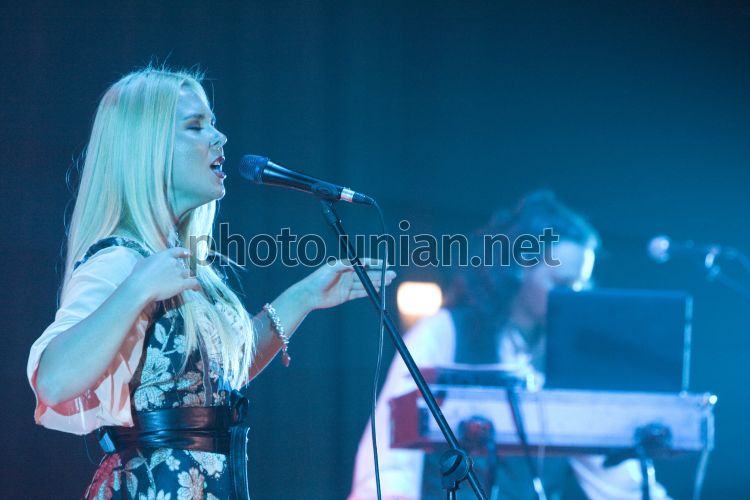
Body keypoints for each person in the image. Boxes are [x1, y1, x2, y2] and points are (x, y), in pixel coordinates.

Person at [27, 66, 394, 499]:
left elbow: (212, 384)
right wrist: (136, 289)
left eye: (212, 123)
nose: (219, 137)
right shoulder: (119, 261)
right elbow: (53, 380)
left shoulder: (175, 262)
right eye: (195, 126)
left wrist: (306, 295)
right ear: (149, 150)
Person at [349, 191, 671, 499]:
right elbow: (389, 453)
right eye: (560, 283)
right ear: (519, 269)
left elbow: (611, 470)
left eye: (580, 285)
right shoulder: (445, 332)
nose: (572, 296)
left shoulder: (570, 359)